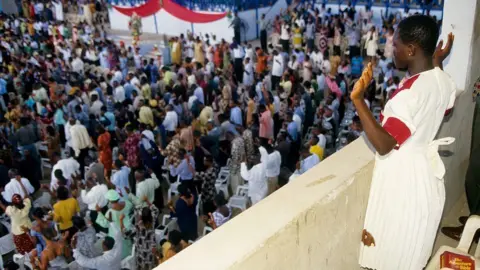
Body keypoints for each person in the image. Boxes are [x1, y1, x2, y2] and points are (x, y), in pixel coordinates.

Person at [352, 15, 456, 270]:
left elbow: (385, 144)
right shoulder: (442, 80)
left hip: (404, 184)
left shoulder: (407, 96)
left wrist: (358, 100)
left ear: (411, 50)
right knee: (411, 252)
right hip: (426, 178)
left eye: (396, 45)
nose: (391, 50)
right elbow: (446, 109)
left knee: (392, 251)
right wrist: (437, 61)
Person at [131, 196, 160, 270]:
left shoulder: (138, 226)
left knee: (141, 264)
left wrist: (121, 222)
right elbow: (156, 210)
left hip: (141, 249)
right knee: (150, 263)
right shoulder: (152, 220)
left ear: (141, 217)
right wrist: (147, 200)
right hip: (151, 248)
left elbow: (126, 234)